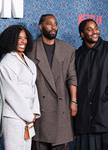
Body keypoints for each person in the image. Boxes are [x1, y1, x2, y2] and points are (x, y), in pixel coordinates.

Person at [26, 14, 77, 150]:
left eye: (55, 24)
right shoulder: (30, 49)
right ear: (40, 26)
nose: (53, 27)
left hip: (61, 109)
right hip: (40, 111)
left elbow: (72, 77)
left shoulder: (68, 50)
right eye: (49, 24)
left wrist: (73, 101)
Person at [75, 19, 108, 150]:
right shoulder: (78, 55)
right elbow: (73, 81)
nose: (94, 31)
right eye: (89, 29)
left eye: (95, 28)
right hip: (85, 120)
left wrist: (105, 95)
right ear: (82, 34)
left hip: (106, 116)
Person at [0, 25, 41, 150]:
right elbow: (11, 94)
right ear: (11, 40)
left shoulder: (29, 62)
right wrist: (28, 115)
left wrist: (34, 112)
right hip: (13, 117)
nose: (23, 41)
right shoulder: (7, 63)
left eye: (25, 38)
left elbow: (34, 88)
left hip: (28, 118)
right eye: (19, 38)